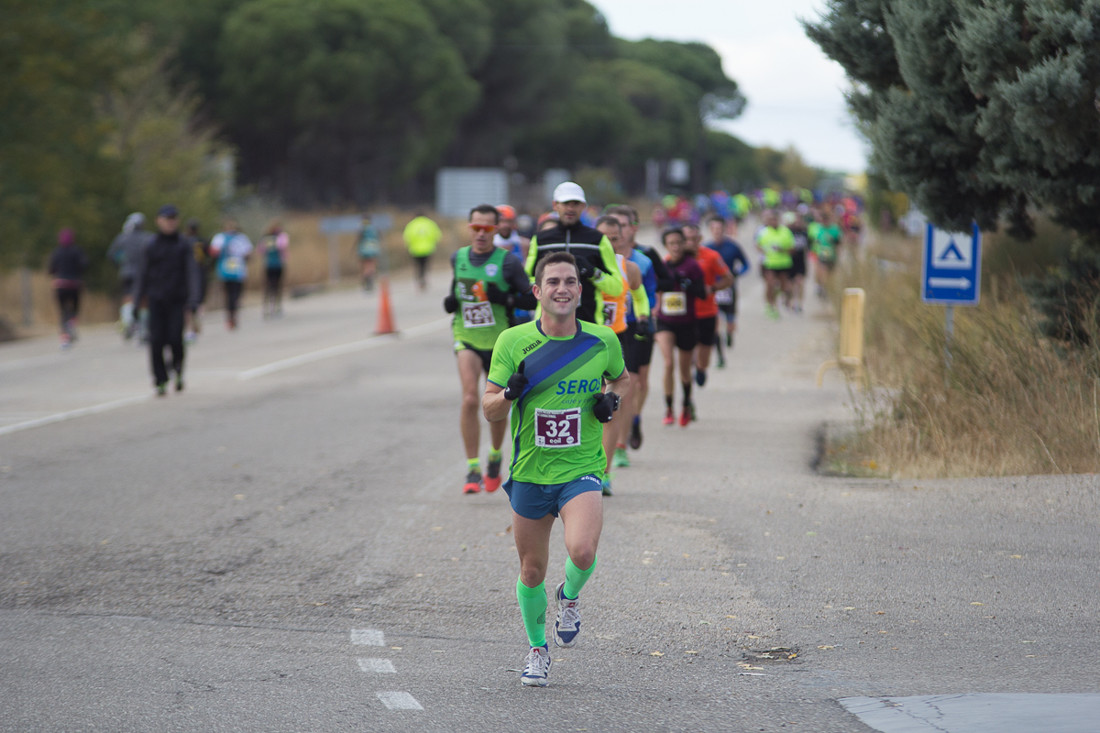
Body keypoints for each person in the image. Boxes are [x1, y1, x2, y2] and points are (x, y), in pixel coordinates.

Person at [483, 251, 629, 688]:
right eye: (553, 282)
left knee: (582, 551)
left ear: (580, 291)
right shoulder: (513, 341)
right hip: (530, 471)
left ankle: (569, 596)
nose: (562, 289)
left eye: (569, 281)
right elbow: (490, 410)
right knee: (531, 571)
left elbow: (623, 378)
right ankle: (537, 650)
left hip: (581, 467)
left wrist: (612, 400)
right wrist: (509, 393)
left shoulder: (602, 340)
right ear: (537, 291)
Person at [445, 204, 537, 494]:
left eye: (487, 228)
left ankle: (495, 455)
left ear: (496, 230)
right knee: (470, 398)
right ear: (470, 228)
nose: (481, 234)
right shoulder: (458, 257)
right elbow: (457, 290)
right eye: (476, 228)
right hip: (467, 337)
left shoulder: (508, 262)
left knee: (497, 401)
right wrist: (451, 301)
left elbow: (531, 299)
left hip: (500, 341)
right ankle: (473, 467)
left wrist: (506, 299)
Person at [603, 204, 675, 450]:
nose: (618, 232)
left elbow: (653, 289)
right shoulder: (591, 262)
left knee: (634, 383)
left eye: (623, 226)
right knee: (613, 386)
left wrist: (647, 311)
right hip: (604, 329)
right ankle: (614, 438)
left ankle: (626, 432)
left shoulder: (643, 259)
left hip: (634, 326)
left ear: (631, 228)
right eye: (613, 227)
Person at [524, 182, 624, 324]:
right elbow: (527, 280)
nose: (570, 208)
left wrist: (592, 272)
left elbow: (616, 288)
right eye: (566, 203)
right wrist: (549, 281)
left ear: (583, 206)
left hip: (588, 324)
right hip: (547, 325)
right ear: (555, 205)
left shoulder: (598, 239)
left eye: (575, 204)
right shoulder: (540, 239)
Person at [594, 216, 643, 490]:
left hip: (616, 339)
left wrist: (644, 317)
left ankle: (605, 472)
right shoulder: (582, 265)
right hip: (587, 340)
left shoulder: (628, 267)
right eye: (604, 238)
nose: (610, 243)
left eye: (615, 238)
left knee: (609, 404)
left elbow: (640, 295)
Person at [132, 204, 198, 395]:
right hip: (156, 300)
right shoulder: (151, 245)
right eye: (167, 219)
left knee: (175, 338)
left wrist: (194, 299)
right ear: (158, 221)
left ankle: (177, 369)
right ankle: (160, 379)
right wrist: (136, 301)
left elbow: (192, 272)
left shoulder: (183, 244)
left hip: (177, 299)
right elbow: (142, 274)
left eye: (173, 219)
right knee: (156, 341)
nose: (170, 223)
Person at [655, 228, 706, 426]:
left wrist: (688, 284)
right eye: (671, 243)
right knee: (668, 363)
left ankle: (685, 404)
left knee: (685, 370)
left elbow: (702, 293)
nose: (675, 247)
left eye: (678, 243)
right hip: (665, 321)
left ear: (684, 244)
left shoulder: (692, 266)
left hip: (687, 323)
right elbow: (655, 290)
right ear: (666, 246)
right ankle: (668, 408)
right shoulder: (663, 266)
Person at [683, 223, 733, 387]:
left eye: (694, 239)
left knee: (705, 347)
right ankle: (688, 371)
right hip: (684, 313)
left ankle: (701, 368)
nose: (690, 242)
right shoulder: (674, 258)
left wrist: (712, 288)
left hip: (707, 311)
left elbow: (728, 278)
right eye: (686, 239)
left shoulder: (711, 256)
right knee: (687, 347)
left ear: (700, 239)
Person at [107, 212, 152, 341]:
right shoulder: (148, 237)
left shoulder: (122, 238)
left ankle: (128, 323)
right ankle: (143, 329)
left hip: (126, 272)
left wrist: (121, 263)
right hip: (143, 274)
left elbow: (111, 254)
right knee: (144, 300)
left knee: (128, 298)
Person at [47, 228, 89, 349]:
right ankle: (72, 324)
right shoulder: (77, 251)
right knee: (75, 308)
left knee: (63, 312)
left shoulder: (57, 252)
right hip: (74, 284)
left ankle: (64, 338)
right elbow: (85, 264)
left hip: (60, 285)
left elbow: (50, 269)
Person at [210, 217, 254, 330]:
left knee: (235, 294)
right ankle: (230, 316)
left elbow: (248, 253)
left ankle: (233, 315)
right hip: (227, 271)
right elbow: (213, 252)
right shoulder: (221, 238)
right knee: (230, 294)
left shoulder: (240, 238)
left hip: (236, 271)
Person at [494, 205, 532, 325]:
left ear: (514, 223)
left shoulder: (524, 244)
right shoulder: (490, 246)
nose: (505, 225)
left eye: (508, 221)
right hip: (498, 307)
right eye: (501, 221)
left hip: (521, 309)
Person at [754, 209, 794, 320]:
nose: (773, 222)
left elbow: (792, 248)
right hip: (769, 263)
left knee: (784, 286)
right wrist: (764, 252)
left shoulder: (786, 231)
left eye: (775, 219)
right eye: (770, 220)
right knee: (770, 284)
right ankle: (770, 305)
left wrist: (782, 250)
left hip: (784, 263)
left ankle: (781, 300)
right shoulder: (763, 232)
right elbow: (757, 245)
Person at [184, 219, 212, 342]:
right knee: (198, 299)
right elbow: (210, 256)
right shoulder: (202, 241)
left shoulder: (183, 241)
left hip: (187, 274)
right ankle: (196, 318)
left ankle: (190, 326)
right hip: (200, 272)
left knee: (188, 301)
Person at [403, 213, 442, 291]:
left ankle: (419, 278)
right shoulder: (430, 223)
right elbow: (437, 235)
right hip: (428, 249)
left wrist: (409, 245)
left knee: (418, 265)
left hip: (415, 249)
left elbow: (406, 237)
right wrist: (433, 243)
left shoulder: (411, 224)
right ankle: (424, 278)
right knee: (425, 265)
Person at [810, 207, 842, 298]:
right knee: (822, 272)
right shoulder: (818, 229)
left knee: (830, 274)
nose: (825, 221)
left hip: (832, 255)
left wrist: (838, 254)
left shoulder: (835, 229)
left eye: (826, 219)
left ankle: (827, 288)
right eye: (823, 219)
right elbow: (814, 242)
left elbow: (839, 243)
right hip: (821, 254)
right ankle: (822, 287)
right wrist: (814, 252)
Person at [260, 221, 289, 319]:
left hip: (273, 265)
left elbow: (261, 250)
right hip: (274, 265)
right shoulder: (278, 237)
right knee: (272, 286)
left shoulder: (269, 238)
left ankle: (274, 306)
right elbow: (283, 246)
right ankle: (270, 307)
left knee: (274, 286)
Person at [356, 216, 381, 291]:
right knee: (372, 264)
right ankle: (371, 279)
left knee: (364, 266)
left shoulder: (362, 229)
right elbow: (379, 237)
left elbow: (358, 239)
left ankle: (365, 279)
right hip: (373, 248)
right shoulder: (374, 228)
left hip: (363, 249)